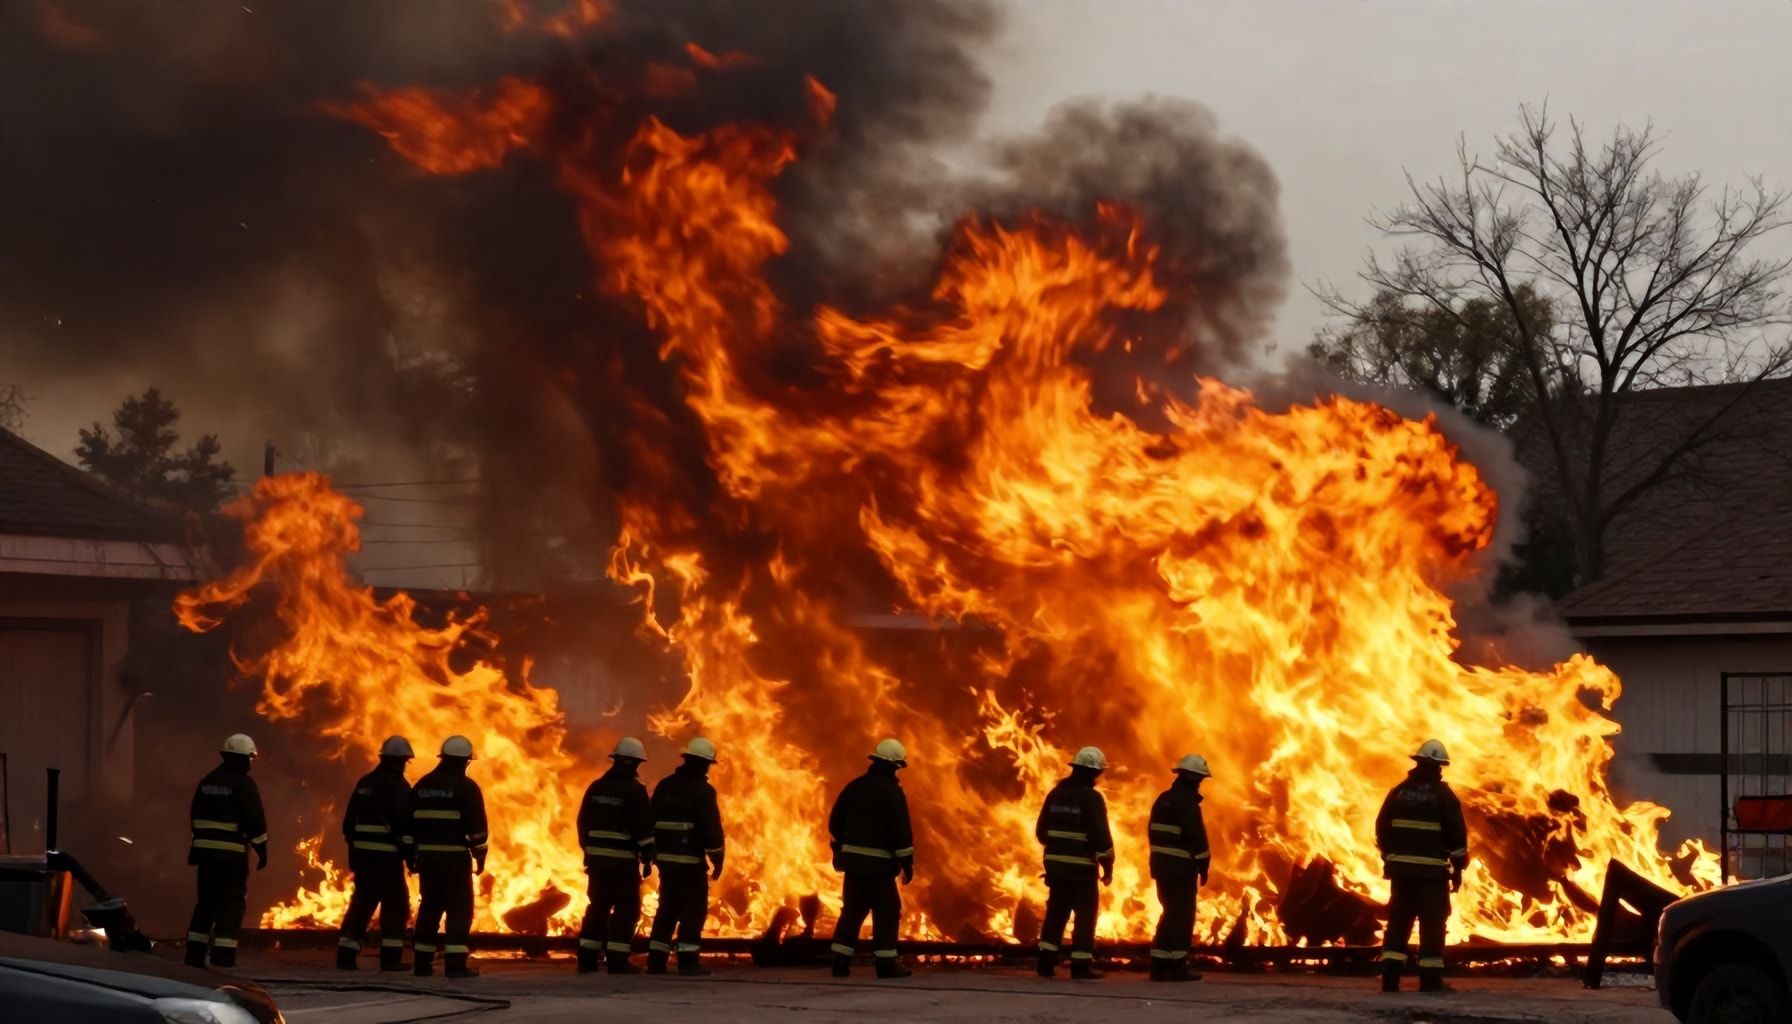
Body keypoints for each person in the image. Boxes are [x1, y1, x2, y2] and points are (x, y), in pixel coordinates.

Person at [1375, 739, 1469, 994]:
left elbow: (1382, 827)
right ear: (1438, 767)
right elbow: (1457, 837)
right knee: (1432, 923)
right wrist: (1458, 869)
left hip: (1402, 874)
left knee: (1398, 922)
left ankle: (1390, 979)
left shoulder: (1399, 792)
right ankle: (1430, 981)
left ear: (1417, 763)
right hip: (1431, 875)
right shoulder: (1443, 796)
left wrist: (1390, 857)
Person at [826, 738, 915, 980]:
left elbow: (834, 822)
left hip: (853, 868)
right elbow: (901, 833)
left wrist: (842, 849)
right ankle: (886, 964)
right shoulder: (892, 793)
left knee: (852, 912)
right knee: (887, 912)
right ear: (895, 766)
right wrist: (907, 863)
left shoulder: (854, 786)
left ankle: (840, 963)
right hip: (879, 869)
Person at [184, 733, 268, 969]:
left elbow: (195, 816)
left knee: (206, 902)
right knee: (231, 903)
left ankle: (194, 954)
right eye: (249, 758)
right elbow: (255, 820)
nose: (250, 763)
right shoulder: (243, 783)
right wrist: (262, 848)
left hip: (204, 855)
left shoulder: (207, 781)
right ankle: (223, 955)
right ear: (243, 759)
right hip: (231, 855)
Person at [410, 735, 488, 979]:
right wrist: (480, 856)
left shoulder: (422, 785)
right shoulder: (466, 787)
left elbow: (408, 823)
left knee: (430, 908)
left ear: (442, 758)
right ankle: (455, 965)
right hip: (454, 861)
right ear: (465, 761)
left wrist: (411, 856)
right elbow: (478, 830)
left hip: (427, 860)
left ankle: (422, 965)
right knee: (459, 910)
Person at [576, 737, 656, 974]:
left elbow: (582, 823)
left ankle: (587, 959)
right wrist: (647, 856)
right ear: (633, 763)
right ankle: (617, 961)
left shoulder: (596, 787)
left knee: (597, 908)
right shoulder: (635, 791)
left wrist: (589, 851)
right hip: (622, 865)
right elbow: (642, 828)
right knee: (626, 910)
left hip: (598, 864)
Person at [336, 735, 416, 972]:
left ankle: (346, 956)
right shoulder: (398, 787)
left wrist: (357, 850)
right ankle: (390, 959)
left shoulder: (365, 783)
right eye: (403, 761)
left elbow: (348, 825)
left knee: (361, 904)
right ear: (398, 761)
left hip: (363, 859)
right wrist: (410, 856)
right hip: (387, 860)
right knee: (397, 906)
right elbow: (404, 826)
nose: (404, 765)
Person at [1035, 746, 1114, 980]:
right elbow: (1101, 837)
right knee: (1085, 916)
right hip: (1081, 870)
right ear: (1094, 773)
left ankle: (1045, 963)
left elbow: (1041, 832)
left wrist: (1058, 850)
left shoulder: (1056, 793)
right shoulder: (1092, 798)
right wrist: (1107, 866)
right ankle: (1080, 966)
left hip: (1056, 868)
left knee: (1056, 914)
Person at [646, 737, 725, 976]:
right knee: (693, 911)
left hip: (667, 863)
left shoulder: (665, 785)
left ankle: (656, 961)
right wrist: (718, 857)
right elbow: (711, 828)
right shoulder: (703, 791)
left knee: (667, 909)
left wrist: (651, 854)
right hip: (690, 863)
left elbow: (650, 820)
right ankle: (687, 961)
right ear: (704, 764)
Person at [1146, 754, 1211, 982]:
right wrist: (1203, 866)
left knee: (1169, 913)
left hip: (1162, 868)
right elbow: (1197, 838)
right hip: (1181, 869)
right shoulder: (1187, 803)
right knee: (1182, 916)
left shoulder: (1163, 799)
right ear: (1193, 777)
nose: (1200, 782)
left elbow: (1152, 832)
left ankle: (1160, 963)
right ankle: (1177, 965)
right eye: (1200, 778)